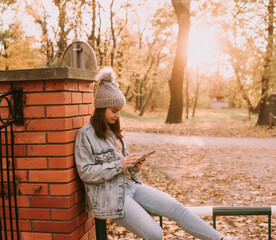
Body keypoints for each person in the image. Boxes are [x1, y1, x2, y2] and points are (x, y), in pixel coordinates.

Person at [74, 67, 234, 240]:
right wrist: (120, 164)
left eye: (119, 110)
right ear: (101, 108)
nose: (118, 115)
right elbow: (86, 172)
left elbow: (123, 168)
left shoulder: (113, 132)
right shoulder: (86, 135)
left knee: (177, 209)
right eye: (114, 111)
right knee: (155, 234)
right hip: (111, 197)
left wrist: (133, 166)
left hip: (131, 186)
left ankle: (221, 239)